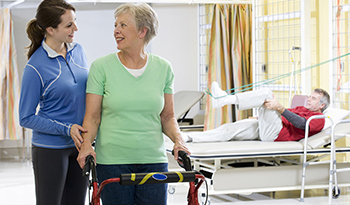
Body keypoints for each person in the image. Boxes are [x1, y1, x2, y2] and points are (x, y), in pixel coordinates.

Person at [76, 3, 190, 205]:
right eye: (115, 25)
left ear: (142, 31)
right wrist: (86, 147)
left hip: (153, 160)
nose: (116, 30)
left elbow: (168, 117)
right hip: (112, 162)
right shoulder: (101, 67)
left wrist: (178, 141)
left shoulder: (163, 68)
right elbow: (93, 117)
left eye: (123, 25)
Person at [18, 0, 88, 204]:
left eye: (74, 22)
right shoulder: (35, 67)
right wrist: (67, 129)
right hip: (49, 150)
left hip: (80, 146)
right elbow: (26, 117)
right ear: (50, 29)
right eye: (69, 25)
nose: (76, 28)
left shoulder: (79, 51)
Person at [185, 81, 330, 143]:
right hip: (270, 127)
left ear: (322, 105)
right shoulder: (303, 108)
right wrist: (261, 117)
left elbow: (301, 124)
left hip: (276, 135)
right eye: (310, 96)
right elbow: (281, 114)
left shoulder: (319, 118)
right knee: (230, 129)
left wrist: (280, 108)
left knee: (267, 93)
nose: (309, 99)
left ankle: (224, 99)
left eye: (314, 98)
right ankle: (191, 138)